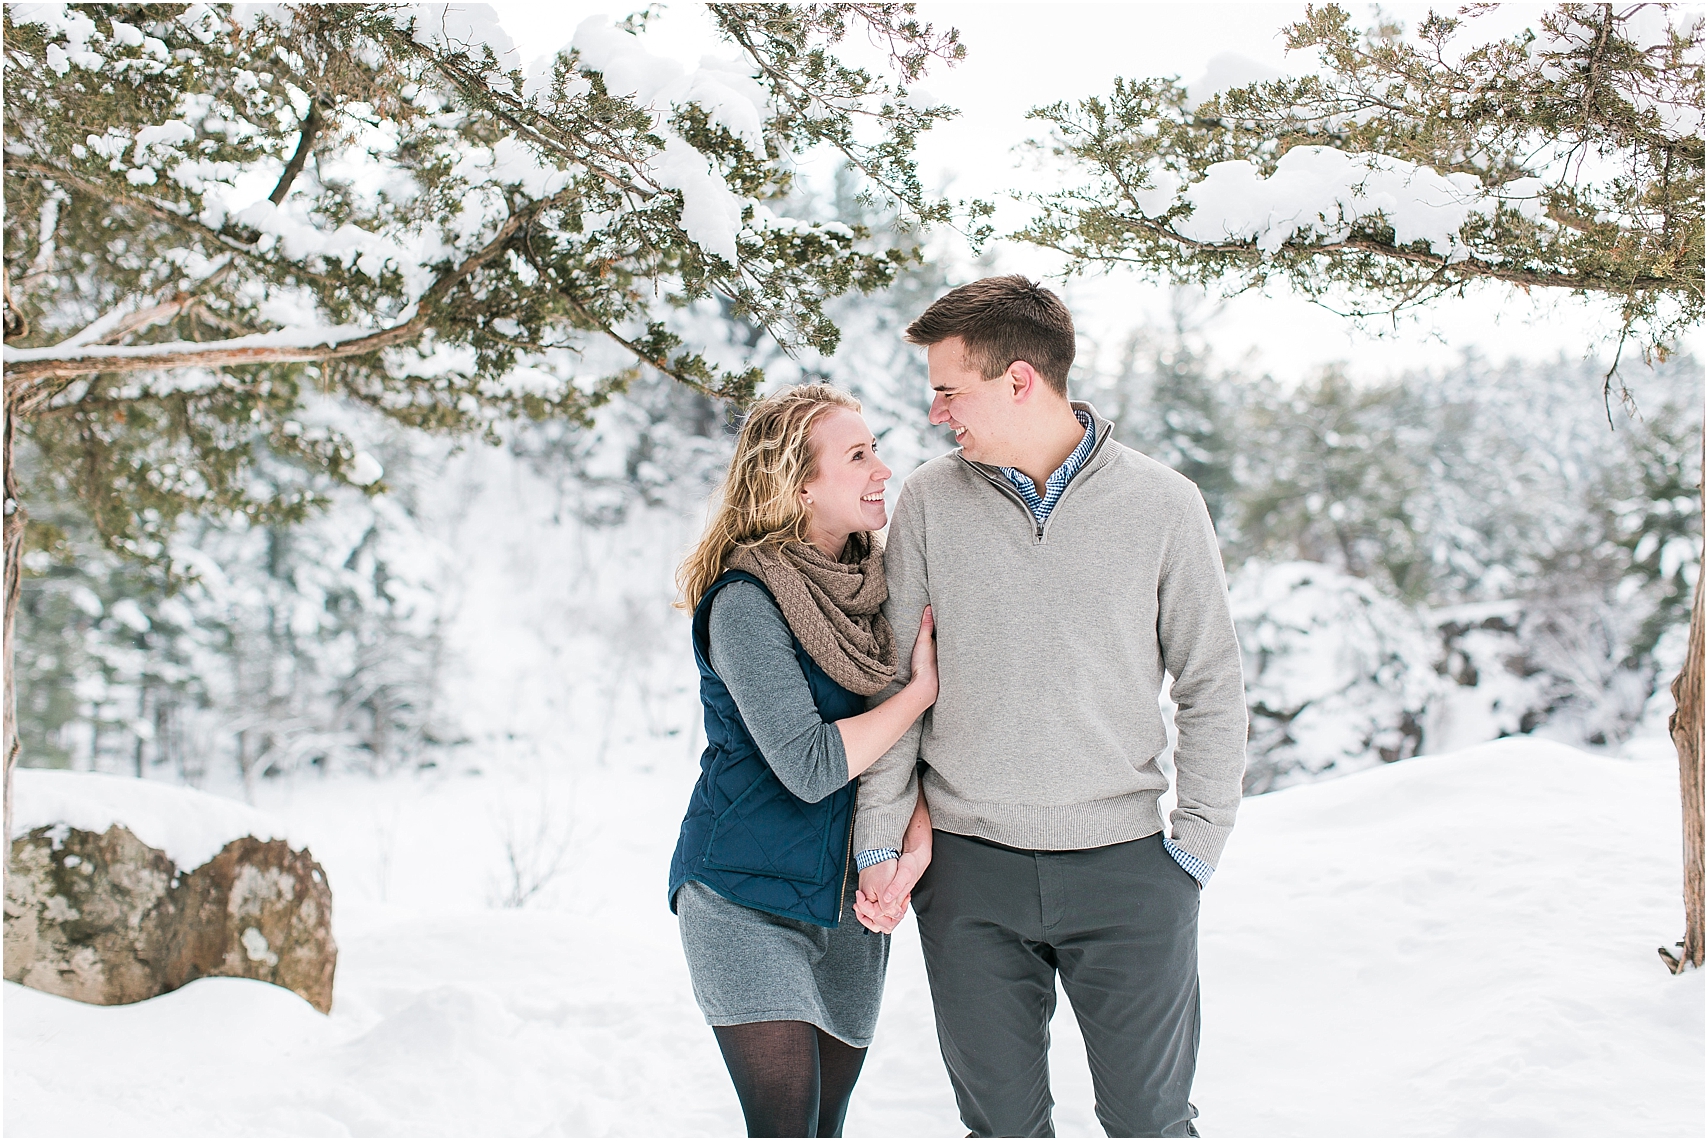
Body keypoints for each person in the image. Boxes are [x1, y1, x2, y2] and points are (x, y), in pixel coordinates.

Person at [852, 276, 1248, 1138]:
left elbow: (1210, 679)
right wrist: (881, 836)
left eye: (949, 390)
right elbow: (895, 682)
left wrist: (1197, 845)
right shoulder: (925, 502)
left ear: (1020, 379)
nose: (936, 413)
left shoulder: (1163, 504)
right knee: (1000, 1129)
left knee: (1152, 1123)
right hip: (969, 875)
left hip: (1129, 872)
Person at [668, 383, 939, 1138]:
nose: (882, 468)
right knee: (785, 1126)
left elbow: (910, 753)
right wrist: (918, 692)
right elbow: (812, 763)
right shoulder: (745, 601)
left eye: (876, 446)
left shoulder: (879, 586)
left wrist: (910, 843)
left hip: (848, 902)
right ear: (798, 483)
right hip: (743, 898)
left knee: (825, 1125)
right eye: (857, 455)